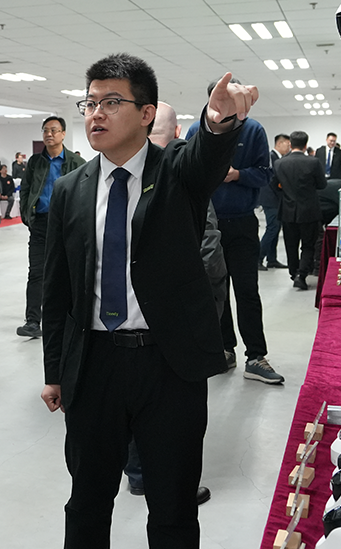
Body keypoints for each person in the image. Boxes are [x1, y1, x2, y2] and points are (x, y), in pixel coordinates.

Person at [41, 53, 256, 549]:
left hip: (168, 365)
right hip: (94, 364)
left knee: (172, 506)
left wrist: (218, 121)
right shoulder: (71, 189)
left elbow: (208, 155)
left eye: (111, 102)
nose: (96, 113)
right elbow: (57, 290)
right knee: (87, 501)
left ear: (146, 113)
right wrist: (55, 370)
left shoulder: (178, 172)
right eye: (90, 102)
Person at [122, 101, 223, 506]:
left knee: (135, 401)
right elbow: (208, 252)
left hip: (126, 320)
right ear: (178, 132)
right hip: (176, 318)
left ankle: (138, 474)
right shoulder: (186, 176)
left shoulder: (123, 178)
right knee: (172, 411)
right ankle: (169, 482)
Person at [185, 77, 282, 384]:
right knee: (215, 290)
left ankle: (256, 356)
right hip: (206, 225)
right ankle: (224, 349)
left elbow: (265, 174)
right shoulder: (196, 131)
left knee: (246, 290)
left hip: (242, 222)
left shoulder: (252, 130)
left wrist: (236, 174)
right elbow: (186, 173)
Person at [18, 116, 86, 338]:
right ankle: (32, 321)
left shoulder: (76, 162)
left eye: (54, 130)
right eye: (45, 130)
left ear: (63, 134)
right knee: (36, 273)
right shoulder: (35, 162)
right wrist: (27, 215)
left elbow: (84, 193)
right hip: (40, 224)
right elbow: (26, 190)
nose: (49, 134)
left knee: (68, 272)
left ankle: (71, 318)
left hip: (66, 224)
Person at [272, 130, 327, 290]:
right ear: (305, 145)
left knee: (291, 245)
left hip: (287, 210)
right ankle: (301, 275)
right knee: (308, 245)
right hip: (309, 210)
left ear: (290, 144)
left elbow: (274, 184)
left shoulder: (279, 163)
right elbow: (322, 184)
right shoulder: (313, 162)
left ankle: (293, 273)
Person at [258, 134, 290, 271]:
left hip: (275, 198)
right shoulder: (271, 158)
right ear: (279, 143)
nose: (289, 148)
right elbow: (272, 180)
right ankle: (258, 258)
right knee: (272, 228)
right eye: (287, 144)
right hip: (271, 198)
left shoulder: (277, 158)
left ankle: (272, 259)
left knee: (275, 228)